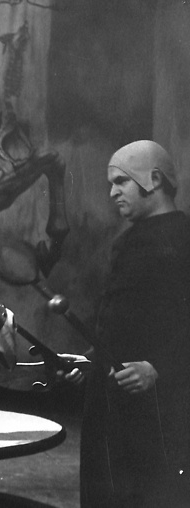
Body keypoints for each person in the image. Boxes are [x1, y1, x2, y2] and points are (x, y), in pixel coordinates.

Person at [66, 140, 190, 507]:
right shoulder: (125, 242)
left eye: (121, 181)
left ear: (154, 179)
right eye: (111, 184)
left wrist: (158, 368)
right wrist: (91, 359)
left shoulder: (184, 240)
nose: (112, 193)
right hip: (111, 406)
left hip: (160, 411)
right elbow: (121, 322)